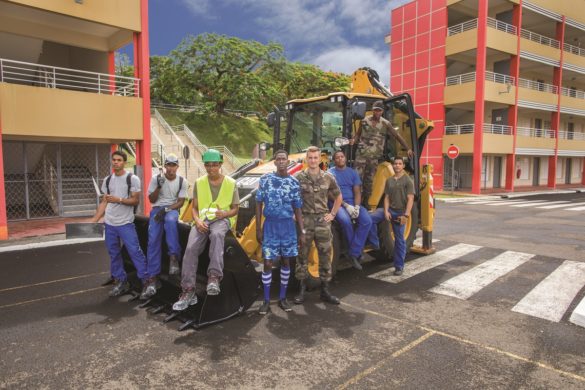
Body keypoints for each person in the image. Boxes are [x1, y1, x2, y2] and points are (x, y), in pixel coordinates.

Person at [172, 149, 239, 311]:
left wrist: (225, 213)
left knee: (216, 234)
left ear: (220, 164)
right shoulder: (199, 182)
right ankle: (188, 290)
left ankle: (214, 277)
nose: (211, 168)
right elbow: (194, 208)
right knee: (190, 248)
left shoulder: (231, 183)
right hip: (202, 220)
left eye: (214, 165)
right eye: (207, 165)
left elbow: (235, 209)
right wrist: (197, 221)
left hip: (222, 219)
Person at [255, 150, 304, 315]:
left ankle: (283, 298)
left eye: (284, 159)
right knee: (268, 263)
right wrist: (257, 229)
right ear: (275, 162)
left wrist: (302, 231)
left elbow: (297, 209)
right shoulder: (266, 180)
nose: (281, 161)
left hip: (288, 226)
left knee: (285, 261)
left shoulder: (294, 183)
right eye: (278, 159)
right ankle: (266, 301)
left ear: (288, 162)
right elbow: (258, 204)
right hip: (270, 226)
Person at [294, 146, 343, 305]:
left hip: (323, 221)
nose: (313, 160)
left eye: (316, 158)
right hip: (305, 221)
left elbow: (338, 197)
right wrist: (295, 214)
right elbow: (291, 197)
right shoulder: (298, 177)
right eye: (310, 158)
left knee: (325, 255)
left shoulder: (328, 177)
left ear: (320, 159)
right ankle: (301, 290)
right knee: (302, 255)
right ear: (306, 159)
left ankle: (325, 290)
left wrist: (333, 214)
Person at [99, 150, 148, 297]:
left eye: (119, 160)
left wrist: (118, 199)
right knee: (113, 253)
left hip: (125, 223)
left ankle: (146, 281)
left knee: (135, 252)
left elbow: (135, 201)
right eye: (114, 160)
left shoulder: (132, 179)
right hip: (110, 223)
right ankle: (121, 281)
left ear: (124, 162)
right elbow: (104, 202)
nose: (116, 162)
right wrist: (93, 221)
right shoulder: (107, 180)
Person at [141, 153, 188, 300]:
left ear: (177, 167)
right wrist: (159, 187)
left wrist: (167, 209)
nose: (171, 168)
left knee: (170, 221)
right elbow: (151, 199)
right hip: (157, 208)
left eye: (173, 165)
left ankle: (174, 257)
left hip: (172, 209)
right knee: (153, 239)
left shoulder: (182, 181)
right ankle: (153, 278)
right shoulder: (156, 179)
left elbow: (180, 202)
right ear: (165, 166)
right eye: (168, 165)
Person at [351, 100, 413, 206]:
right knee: (357, 179)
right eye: (375, 110)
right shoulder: (364, 121)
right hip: (361, 155)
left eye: (379, 111)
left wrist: (407, 148)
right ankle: (355, 202)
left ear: (382, 111)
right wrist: (354, 140)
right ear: (373, 110)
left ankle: (365, 203)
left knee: (369, 182)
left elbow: (397, 136)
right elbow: (358, 134)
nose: (377, 112)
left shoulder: (385, 123)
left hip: (374, 158)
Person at [328, 150, 377, 271]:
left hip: (352, 202)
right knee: (345, 221)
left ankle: (353, 252)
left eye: (342, 156)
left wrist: (356, 207)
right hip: (337, 204)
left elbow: (357, 192)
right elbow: (329, 193)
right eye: (337, 157)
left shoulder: (352, 173)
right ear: (334, 160)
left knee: (367, 220)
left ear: (345, 158)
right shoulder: (330, 173)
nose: (340, 159)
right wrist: (345, 205)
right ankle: (355, 254)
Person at [370, 157, 414, 276]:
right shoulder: (389, 180)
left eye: (400, 164)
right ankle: (374, 242)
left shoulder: (408, 181)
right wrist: (385, 211)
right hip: (390, 210)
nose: (397, 166)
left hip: (401, 212)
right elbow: (387, 198)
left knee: (399, 240)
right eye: (395, 164)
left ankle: (399, 266)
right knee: (370, 218)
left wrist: (406, 215)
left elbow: (410, 199)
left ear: (403, 166)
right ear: (393, 165)